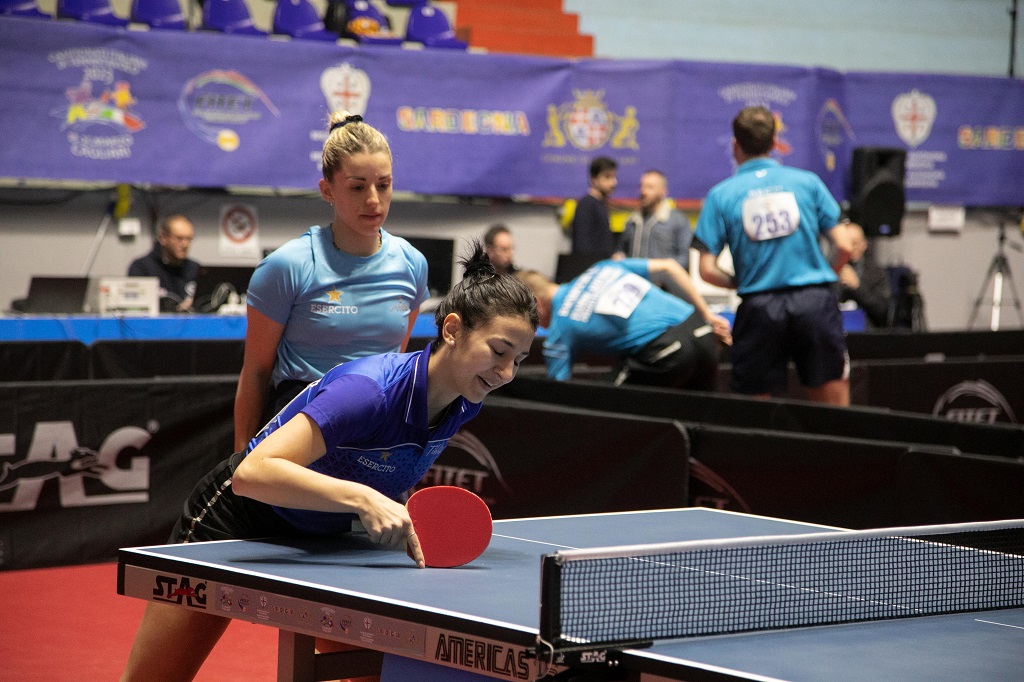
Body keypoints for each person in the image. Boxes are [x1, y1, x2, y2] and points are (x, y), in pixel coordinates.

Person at [120, 244, 538, 682]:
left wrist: (389, 506)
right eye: (499, 351)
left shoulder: (465, 401)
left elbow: (385, 457)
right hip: (237, 520)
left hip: (325, 537)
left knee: (374, 671)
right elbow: (251, 473)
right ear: (452, 329)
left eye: (519, 360)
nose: (506, 372)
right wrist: (364, 498)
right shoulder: (369, 390)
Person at [234, 112, 429, 452]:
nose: (373, 199)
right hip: (300, 427)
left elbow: (394, 360)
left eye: (383, 185)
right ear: (327, 190)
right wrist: (241, 458)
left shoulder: (412, 264)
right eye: (357, 187)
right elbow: (255, 373)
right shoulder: (286, 266)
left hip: (377, 432)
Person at [693, 105, 854, 405]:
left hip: (759, 307)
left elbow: (706, 269)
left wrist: (742, 281)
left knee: (754, 414)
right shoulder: (807, 182)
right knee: (835, 412)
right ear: (775, 143)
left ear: (735, 146)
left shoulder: (720, 195)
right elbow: (845, 245)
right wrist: (826, 274)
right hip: (814, 303)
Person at [518, 258, 731, 390]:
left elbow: (560, 393)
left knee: (603, 406)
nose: (534, 326)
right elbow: (669, 267)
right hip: (702, 332)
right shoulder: (602, 267)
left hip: (666, 353)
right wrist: (707, 315)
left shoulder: (559, 332)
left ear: (536, 303)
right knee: (705, 421)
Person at [615, 169, 693, 269]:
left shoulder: (677, 220)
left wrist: (663, 270)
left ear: (663, 191)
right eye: (641, 186)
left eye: (650, 187)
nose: (643, 191)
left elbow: (685, 258)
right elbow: (622, 249)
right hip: (633, 277)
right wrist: (619, 257)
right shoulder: (632, 220)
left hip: (662, 278)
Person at [127, 214, 199, 312]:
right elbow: (136, 308)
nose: (185, 244)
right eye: (179, 238)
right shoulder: (142, 268)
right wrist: (177, 310)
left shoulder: (196, 269)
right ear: (163, 238)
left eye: (189, 239)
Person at [836, 222, 892, 329]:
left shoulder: (876, 273)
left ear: (864, 244)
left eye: (855, 243)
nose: (851, 248)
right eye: (848, 243)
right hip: (838, 329)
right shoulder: (832, 270)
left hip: (867, 331)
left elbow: (883, 312)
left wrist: (857, 287)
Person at [569, 156, 618, 259]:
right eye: (607, 177)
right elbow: (582, 246)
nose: (613, 183)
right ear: (594, 179)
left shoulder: (601, 204)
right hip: (590, 265)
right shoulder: (586, 205)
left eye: (614, 177)